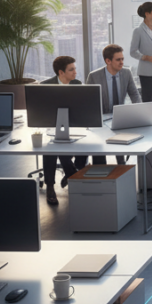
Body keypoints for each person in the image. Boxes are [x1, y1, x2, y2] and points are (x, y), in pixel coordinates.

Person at [39, 55, 88, 205]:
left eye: (75, 68)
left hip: (74, 126)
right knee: (51, 148)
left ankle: (71, 171)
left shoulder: (77, 84)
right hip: (52, 126)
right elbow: (42, 111)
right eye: (71, 69)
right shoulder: (45, 86)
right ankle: (51, 186)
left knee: (83, 142)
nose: (75, 72)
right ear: (61, 72)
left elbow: (81, 108)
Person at [86, 44, 141, 165]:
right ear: (108, 61)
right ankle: (100, 171)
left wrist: (140, 113)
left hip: (119, 117)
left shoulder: (126, 73)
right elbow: (88, 102)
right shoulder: (94, 76)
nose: (122, 62)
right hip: (101, 119)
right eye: (118, 59)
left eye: (122, 59)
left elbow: (134, 95)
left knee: (122, 146)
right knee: (99, 152)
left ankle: (121, 166)